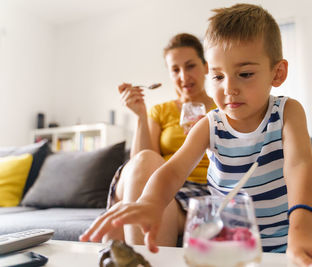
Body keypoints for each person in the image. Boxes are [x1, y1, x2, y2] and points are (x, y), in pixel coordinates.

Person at [80, 4, 312, 267]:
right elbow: (173, 171)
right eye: (218, 77)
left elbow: (300, 166)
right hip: (225, 246)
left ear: (277, 73)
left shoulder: (288, 111)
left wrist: (303, 233)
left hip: (284, 244)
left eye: (244, 74)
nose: (229, 88)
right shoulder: (210, 124)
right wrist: (151, 202)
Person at [80, 33, 215, 247]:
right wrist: (141, 116)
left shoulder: (223, 109)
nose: (183, 76)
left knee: (118, 219)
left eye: (190, 66)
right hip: (162, 186)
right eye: (175, 69)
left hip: (202, 189)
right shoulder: (161, 111)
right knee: (144, 161)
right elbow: (141, 166)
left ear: (206, 67)